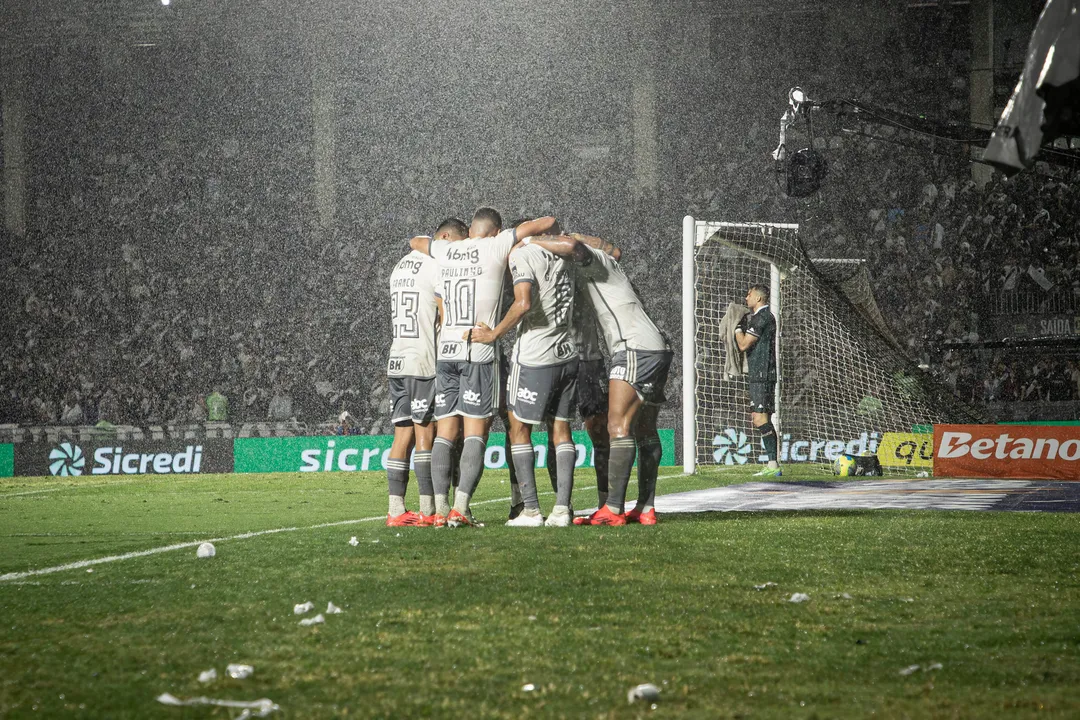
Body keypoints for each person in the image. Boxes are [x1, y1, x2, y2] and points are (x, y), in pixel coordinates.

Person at [409, 209, 557, 527]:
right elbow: (546, 222)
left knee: (445, 433)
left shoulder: (447, 249)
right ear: (495, 231)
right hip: (477, 349)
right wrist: (529, 236)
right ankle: (461, 509)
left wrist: (445, 245)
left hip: (445, 351)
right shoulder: (497, 244)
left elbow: (417, 242)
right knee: (476, 432)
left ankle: (438, 510)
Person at [527, 235, 671, 526]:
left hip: (633, 348)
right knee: (644, 431)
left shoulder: (594, 262)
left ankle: (613, 509)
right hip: (656, 347)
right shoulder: (611, 264)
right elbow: (610, 248)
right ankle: (645, 507)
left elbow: (574, 247)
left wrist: (531, 239)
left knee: (617, 426)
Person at [469, 228, 578, 527]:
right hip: (567, 352)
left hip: (535, 356)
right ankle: (562, 510)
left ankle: (530, 509)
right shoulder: (563, 254)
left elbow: (523, 303)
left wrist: (493, 334)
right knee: (561, 430)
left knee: (518, 427)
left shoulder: (521, 253)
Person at [384, 217, 467, 527]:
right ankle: (428, 510)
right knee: (425, 433)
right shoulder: (436, 266)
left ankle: (395, 511)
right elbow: (444, 314)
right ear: (444, 237)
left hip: (397, 357)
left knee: (401, 433)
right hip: (423, 359)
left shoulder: (400, 265)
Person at [734, 284, 781, 476]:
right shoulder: (763, 317)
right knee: (759, 417)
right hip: (760, 374)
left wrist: (737, 328)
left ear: (759, 298)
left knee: (760, 418)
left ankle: (773, 465)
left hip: (762, 374)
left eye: (749, 294)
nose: (746, 298)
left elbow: (744, 344)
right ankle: (772, 464)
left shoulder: (762, 317)